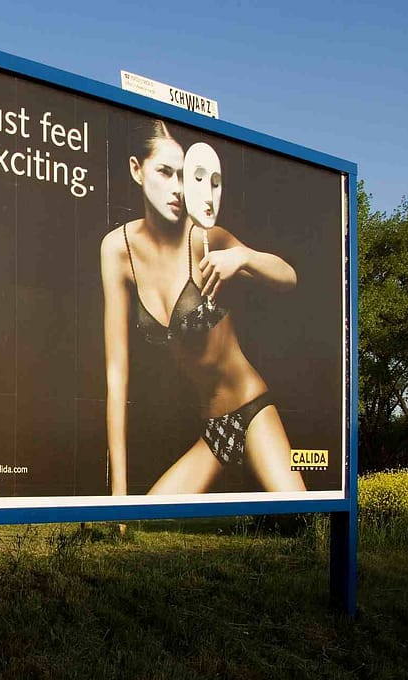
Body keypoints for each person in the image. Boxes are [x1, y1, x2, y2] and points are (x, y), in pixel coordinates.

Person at [99, 120, 305, 495]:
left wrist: (242, 258)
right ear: (136, 169)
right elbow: (117, 374)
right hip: (213, 433)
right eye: (164, 172)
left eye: (183, 176)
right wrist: (118, 491)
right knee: (144, 516)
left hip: (252, 410)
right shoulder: (116, 250)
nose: (177, 187)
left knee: (311, 521)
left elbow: (289, 278)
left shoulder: (205, 239)